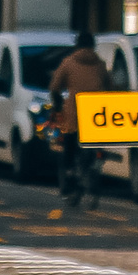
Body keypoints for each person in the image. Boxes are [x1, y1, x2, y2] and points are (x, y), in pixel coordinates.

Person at [47, 30, 109, 210]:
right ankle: (96, 167)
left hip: (73, 116)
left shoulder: (68, 63)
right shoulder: (100, 65)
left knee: (68, 151)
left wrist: (58, 104)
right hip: (96, 117)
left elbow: (54, 87)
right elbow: (111, 88)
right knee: (96, 148)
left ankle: (70, 179)